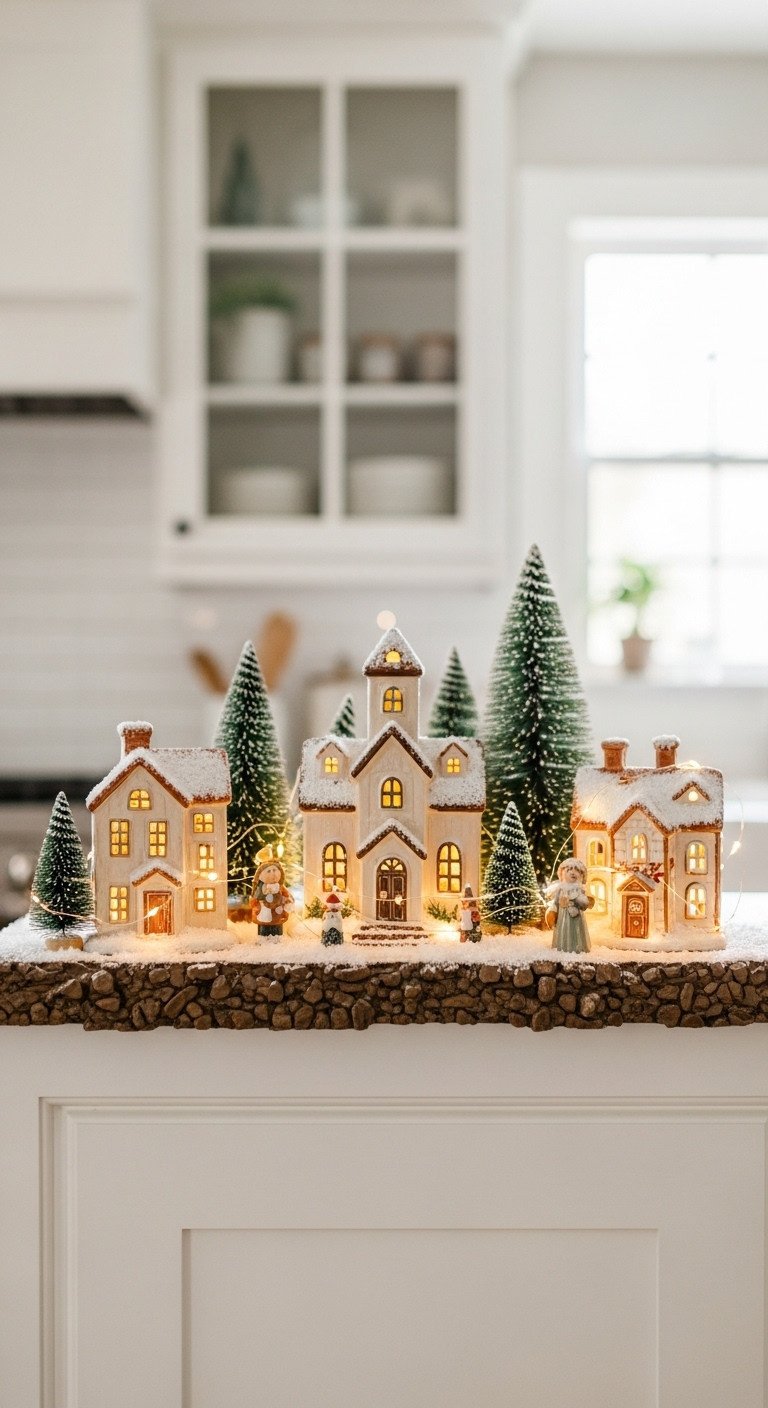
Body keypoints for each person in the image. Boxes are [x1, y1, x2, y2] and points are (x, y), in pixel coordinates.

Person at [545, 857, 594, 954]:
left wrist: (579, 901)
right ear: (562, 873)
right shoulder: (561, 888)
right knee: (564, 929)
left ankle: (579, 947)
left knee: (577, 930)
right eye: (569, 870)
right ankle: (563, 946)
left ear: (581, 875)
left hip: (577, 916)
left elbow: (585, 903)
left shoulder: (580, 889)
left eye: (577, 871)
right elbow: (555, 902)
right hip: (563, 915)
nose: (573, 873)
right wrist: (553, 911)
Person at [251, 848, 294, 939]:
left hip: (278, 913)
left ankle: (277, 937)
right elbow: (255, 898)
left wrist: (287, 901)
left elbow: (287, 896)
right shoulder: (260, 888)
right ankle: (263, 938)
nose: (272, 874)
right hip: (263, 911)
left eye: (274, 870)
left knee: (276, 928)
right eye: (268, 871)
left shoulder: (280, 886)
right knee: (264, 926)